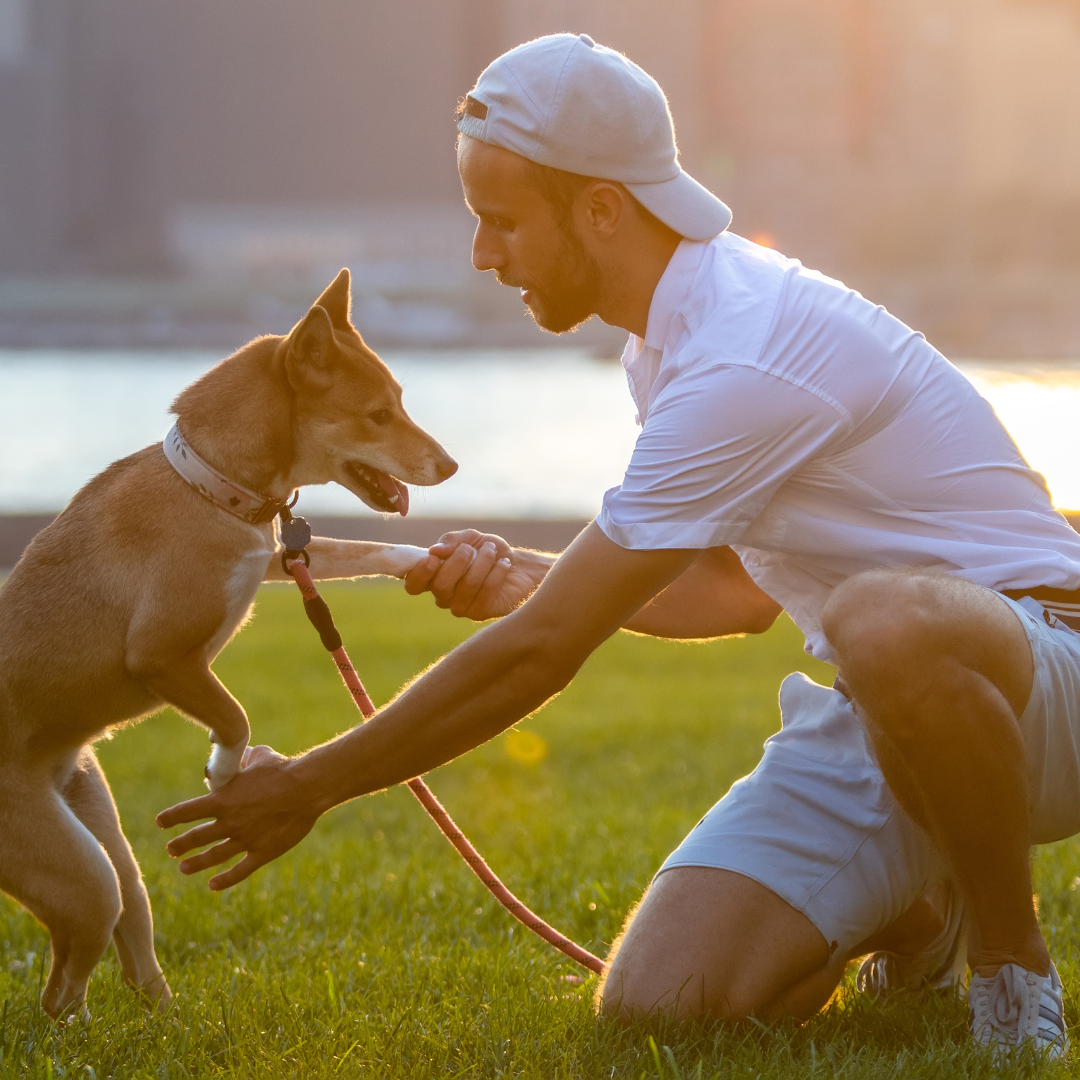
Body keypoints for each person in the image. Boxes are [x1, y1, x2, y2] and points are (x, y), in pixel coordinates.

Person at [157, 34, 1080, 1051]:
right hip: (891, 709)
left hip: (1047, 679)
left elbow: (548, 653)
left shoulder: (742, 353)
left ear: (601, 209)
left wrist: (309, 785)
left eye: (499, 221)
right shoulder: (667, 348)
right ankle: (922, 911)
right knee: (661, 1005)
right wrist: (529, 583)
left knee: (882, 618)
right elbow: (734, 595)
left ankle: (1010, 962)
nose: (481, 254)